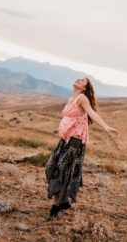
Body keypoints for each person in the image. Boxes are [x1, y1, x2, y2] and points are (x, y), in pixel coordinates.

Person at [45, 77, 121, 220]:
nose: (78, 80)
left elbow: (92, 113)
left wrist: (106, 128)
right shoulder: (71, 98)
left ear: (85, 88)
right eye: (78, 79)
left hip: (75, 142)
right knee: (50, 168)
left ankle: (56, 206)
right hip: (64, 140)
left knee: (63, 172)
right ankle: (64, 202)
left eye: (82, 81)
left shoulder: (82, 98)